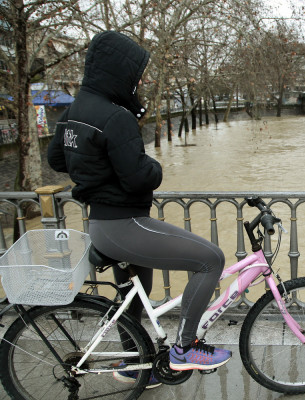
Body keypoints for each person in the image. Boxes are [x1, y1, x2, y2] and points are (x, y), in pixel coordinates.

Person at [47, 31, 232, 386]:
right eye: (136, 74)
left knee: (134, 297)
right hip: (124, 225)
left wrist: (94, 176)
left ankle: (132, 365)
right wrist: (156, 168)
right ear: (119, 72)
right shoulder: (116, 117)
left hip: (100, 222)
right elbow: (138, 178)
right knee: (211, 259)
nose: (139, 81)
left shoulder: (75, 110)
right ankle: (185, 348)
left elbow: (57, 158)